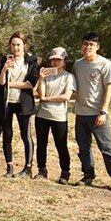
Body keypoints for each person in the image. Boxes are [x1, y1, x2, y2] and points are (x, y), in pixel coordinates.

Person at [72, 32, 111, 193]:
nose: (87, 47)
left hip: (98, 113)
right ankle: (88, 175)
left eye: (91, 44)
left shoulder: (105, 64)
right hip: (81, 113)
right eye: (85, 44)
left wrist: (103, 111)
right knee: (83, 147)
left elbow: (109, 88)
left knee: (106, 147)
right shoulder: (78, 64)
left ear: (97, 47)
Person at [0, 32, 40, 178]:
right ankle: (9, 167)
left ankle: (27, 168)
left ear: (24, 45)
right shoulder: (5, 60)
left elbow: (30, 84)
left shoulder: (32, 61)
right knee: (7, 134)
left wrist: (10, 84)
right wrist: (4, 69)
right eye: (13, 45)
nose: (15, 48)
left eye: (18, 45)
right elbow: (0, 82)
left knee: (25, 135)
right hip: (7, 102)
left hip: (23, 103)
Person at [34, 47, 75, 184]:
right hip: (42, 115)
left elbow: (66, 96)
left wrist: (47, 99)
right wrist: (41, 79)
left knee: (61, 145)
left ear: (64, 61)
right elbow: (41, 94)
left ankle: (65, 172)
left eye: (59, 59)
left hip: (59, 116)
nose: (55, 62)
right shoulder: (46, 75)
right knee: (41, 144)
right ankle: (42, 170)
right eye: (53, 60)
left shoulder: (69, 77)